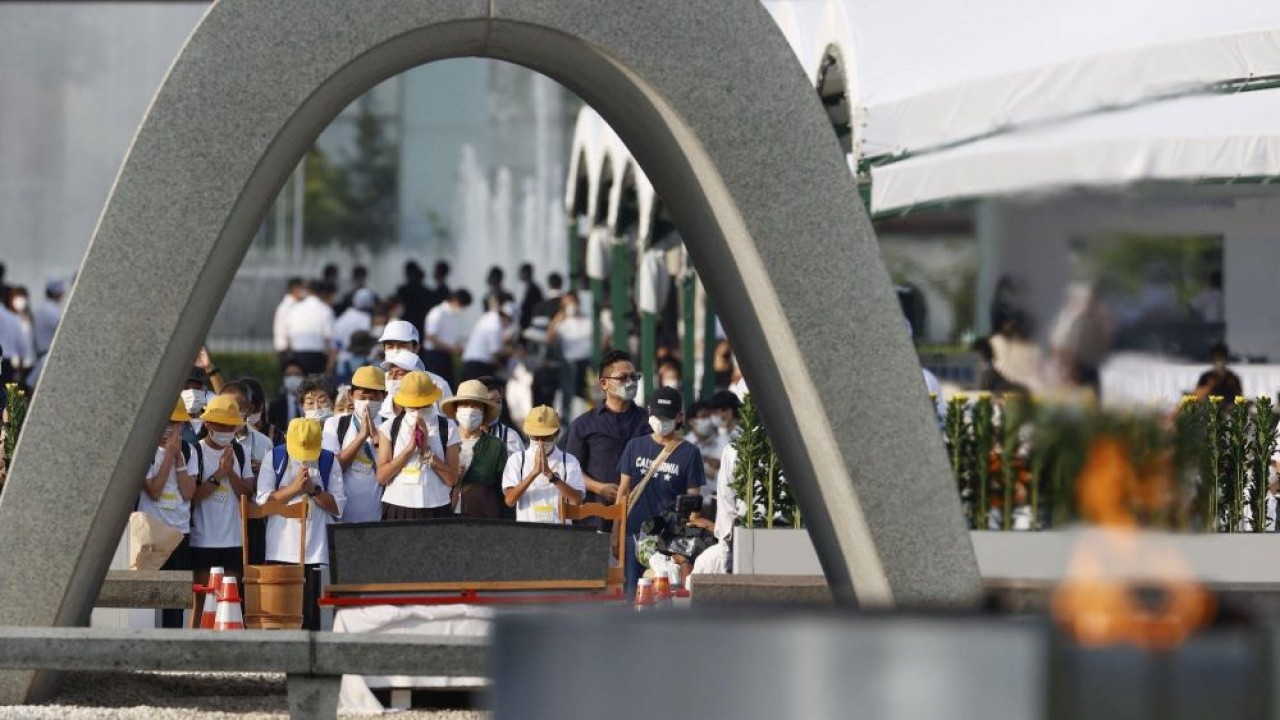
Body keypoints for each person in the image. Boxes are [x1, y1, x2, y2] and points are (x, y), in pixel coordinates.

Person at [257, 418, 344, 629]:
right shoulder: (274, 457)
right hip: (280, 551)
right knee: (281, 616)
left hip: (315, 552)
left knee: (312, 618)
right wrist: (295, 489)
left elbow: (338, 507)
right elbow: (263, 504)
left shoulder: (329, 460)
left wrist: (314, 490)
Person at [616, 387, 705, 588]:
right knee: (633, 595)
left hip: (671, 540)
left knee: (667, 596)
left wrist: (683, 550)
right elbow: (622, 492)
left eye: (667, 417)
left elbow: (694, 505)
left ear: (679, 417)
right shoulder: (634, 446)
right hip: (634, 535)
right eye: (658, 416)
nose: (661, 422)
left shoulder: (690, 453)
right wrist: (616, 534)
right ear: (649, 412)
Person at [566, 350, 650, 513]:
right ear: (604, 383)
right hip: (595, 514)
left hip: (641, 513)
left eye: (634, 377)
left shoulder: (649, 422)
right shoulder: (583, 425)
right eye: (622, 378)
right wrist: (599, 488)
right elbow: (571, 471)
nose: (630, 382)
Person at [140, 399, 199, 627]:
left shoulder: (189, 450)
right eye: (168, 423)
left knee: (175, 596)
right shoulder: (146, 450)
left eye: (177, 424)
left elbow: (188, 492)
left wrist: (179, 460)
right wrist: (167, 458)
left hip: (179, 532)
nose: (172, 429)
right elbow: (154, 491)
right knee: (152, 593)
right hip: (153, 532)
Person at [375, 371, 461, 520]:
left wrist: (427, 451)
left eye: (423, 405)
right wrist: (408, 450)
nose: (418, 410)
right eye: (412, 406)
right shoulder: (389, 427)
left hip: (436, 505)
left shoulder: (448, 427)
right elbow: (382, 477)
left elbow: (452, 479)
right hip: (398, 505)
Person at [189, 394, 253, 590]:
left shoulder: (240, 452)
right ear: (207, 424)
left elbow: (247, 494)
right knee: (201, 598)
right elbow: (193, 496)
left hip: (233, 539)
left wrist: (230, 472)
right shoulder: (195, 451)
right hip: (202, 539)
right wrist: (219, 473)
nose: (227, 431)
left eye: (231, 426)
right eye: (221, 426)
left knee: (229, 598)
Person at [323, 365, 387, 523]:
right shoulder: (335, 425)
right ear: (351, 395)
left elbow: (391, 473)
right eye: (363, 397)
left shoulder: (391, 426)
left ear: (384, 396)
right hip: (343, 516)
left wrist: (378, 440)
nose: (368, 403)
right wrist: (361, 437)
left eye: (374, 398)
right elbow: (332, 468)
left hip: (380, 515)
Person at [503, 405, 584, 523]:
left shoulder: (569, 461)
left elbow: (576, 500)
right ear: (528, 434)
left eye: (546, 437)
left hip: (560, 534)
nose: (540, 442)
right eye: (536, 437)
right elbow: (510, 501)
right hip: (527, 532)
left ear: (556, 434)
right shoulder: (517, 460)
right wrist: (534, 473)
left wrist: (552, 476)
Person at [442, 380, 509, 518]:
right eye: (465, 404)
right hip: (445, 519)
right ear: (455, 410)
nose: (470, 410)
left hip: (482, 520)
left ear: (484, 412)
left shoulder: (496, 447)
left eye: (476, 406)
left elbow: (503, 493)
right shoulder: (443, 441)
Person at [546, 290, 593, 418]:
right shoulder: (562, 323)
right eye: (566, 304)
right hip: (569, 364)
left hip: (586, 363)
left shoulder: (587, 321)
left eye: (571, 303)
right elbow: (549, 340)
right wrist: (557, 319)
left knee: (587, 394)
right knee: (568, 394)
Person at [380, 347, 452, 418]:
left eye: (400, 374)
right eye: (390, 373)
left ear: (416, 377)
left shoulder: (439, 384)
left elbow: (450, 420)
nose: (393, 378)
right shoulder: (380, 388)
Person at [423, 289, 473, 389]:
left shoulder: (452, 315)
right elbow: (431, 336)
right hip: (434, 355)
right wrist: (451, 348)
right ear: (456, 300)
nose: (462, 309)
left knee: (447, 386)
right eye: (462, 305)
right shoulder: (438, 312)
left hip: (446, 355)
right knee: (434, 386)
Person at [283, 280, 336, 374]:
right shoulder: (326, 310)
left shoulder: (294, 308)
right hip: (317, 358)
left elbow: (288, 337)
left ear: (307, 291)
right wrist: (329, 366)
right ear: (322, 293)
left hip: (296, 356)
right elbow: (330, 340)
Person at [460, 297, 514, 382]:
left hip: (468, 364)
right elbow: (495, 351)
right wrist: (509, 352)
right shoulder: (496, 325)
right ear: (507, 318)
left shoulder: (487, 317)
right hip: (479, 367)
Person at [684, 400, 726, 497]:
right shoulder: (684, 446)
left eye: (709, 417)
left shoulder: (722, 442)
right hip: (691, 503)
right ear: (691, 421)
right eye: (703, 417)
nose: (707, 421)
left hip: (716, 502)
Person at [476, 375, 525, 456]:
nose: (496, 407)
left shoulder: (510, 437)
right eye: (490, 402)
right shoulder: (457, 435)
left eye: (498, 402)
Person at [268, 358, 307, 432]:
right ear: (283, 378)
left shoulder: (313, 403)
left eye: (297, 374)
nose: (293, 378)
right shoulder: (275, 406)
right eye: (288, 375)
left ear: (304, 377)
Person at [333, 288, 375, 354]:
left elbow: (335, 340)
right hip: (358, 358)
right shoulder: (367, 319)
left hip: (341, 356)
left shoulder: (345, 316)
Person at [272, 277, 306, 358]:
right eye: (303, 288)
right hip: (287, 349)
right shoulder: (288, 307)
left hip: (288, 348)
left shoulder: (292, 305)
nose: (304, 292)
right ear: (295, 289)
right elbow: (288, 329)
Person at [395, 261, 433, 334]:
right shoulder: (426, 291)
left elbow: (399, 308)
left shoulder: (402, 290)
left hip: (406, 323)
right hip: (421, 324)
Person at [517, 262, 543, 333]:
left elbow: (530, 308)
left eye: (521, 272)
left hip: (530, 326)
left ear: (527, 273)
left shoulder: (533, 289)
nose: (519, 275)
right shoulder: (530, 288)